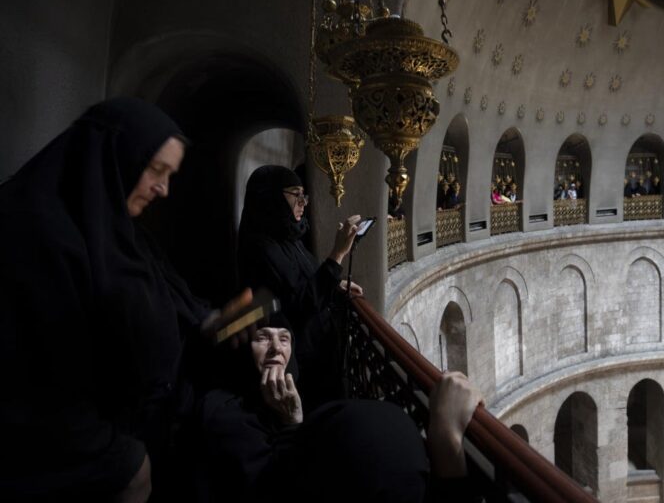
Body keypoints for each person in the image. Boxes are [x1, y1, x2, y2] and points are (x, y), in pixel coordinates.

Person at [0, 97, 253, 502]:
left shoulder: (122, 229)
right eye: (156, 170)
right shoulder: (29, 232)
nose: (164, 189)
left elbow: (166, 296)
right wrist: (121, 460)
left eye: (170, 175)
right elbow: (38, 384)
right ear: (114, 156)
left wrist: (211, 320)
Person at [190, 314, 483, 503]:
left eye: (284, 338)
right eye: (263, 337)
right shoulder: (222, 417)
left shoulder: (286, 402)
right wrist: (292, 425)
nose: (277, 348)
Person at [237, 165, 362, 410]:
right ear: (272, 197)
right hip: (301, 360)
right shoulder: (261, 246)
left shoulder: (288, 235)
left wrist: (335, 284)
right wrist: (338, 253)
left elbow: (307, 279)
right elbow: (303, 303)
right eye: (296, 194)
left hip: (318, 349)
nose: (303, 203)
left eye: (304, 195)